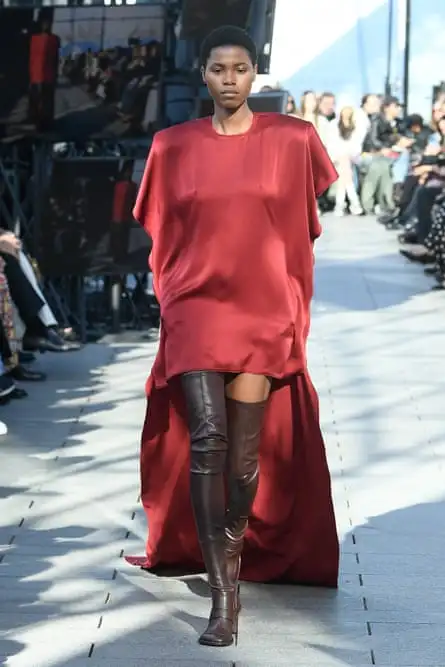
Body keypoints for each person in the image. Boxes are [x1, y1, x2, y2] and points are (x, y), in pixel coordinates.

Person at [127, 26, 339, 648]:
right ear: (202, 74)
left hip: (262, 309)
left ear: (254, 75)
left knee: (245, 460)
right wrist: (169, 292)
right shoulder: (173, 145)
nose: (228, 78)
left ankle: (232, 551)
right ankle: (225, 594)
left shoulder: (294, 139)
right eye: (218, 68)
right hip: (196, 306)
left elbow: (306, 224)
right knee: (208, 442)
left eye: (240, 68)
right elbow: (159, 229)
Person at [327, 106, 363, 216]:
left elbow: (357, 144)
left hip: (351, 157)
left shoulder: (356, 125)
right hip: (337, 157)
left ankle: (341, 205)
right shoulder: (333, 125)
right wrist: (338, 156)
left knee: (343, 178)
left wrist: (349, 155)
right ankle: (354, 203)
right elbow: (331, 143)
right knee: (346, 177)